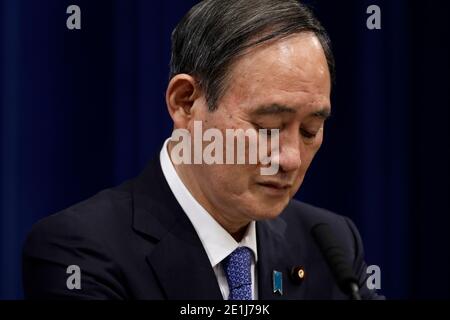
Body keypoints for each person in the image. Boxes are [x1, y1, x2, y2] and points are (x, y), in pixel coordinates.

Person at [23, 0, 383, 300]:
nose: (290, 158)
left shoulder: (330, 243)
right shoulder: (80, 250)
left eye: (310, 130)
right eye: (267, 127)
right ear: (186, 103)